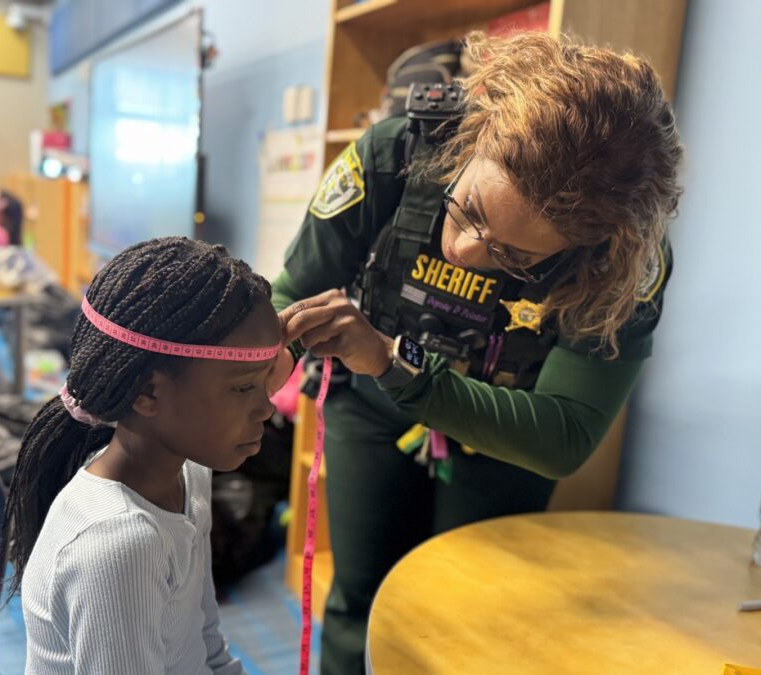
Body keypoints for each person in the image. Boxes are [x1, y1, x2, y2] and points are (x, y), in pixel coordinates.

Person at [269, 31, 684, 673]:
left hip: (504, 436)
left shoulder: (624, 262)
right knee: (360, 598)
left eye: (513, 256)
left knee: (466, 623)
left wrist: (395, 363)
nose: (463, 250)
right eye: (468, 209)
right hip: (372, 411)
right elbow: (289, 299)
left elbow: (565, 436)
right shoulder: (393, 154)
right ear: (479, 134)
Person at [0, 237, 283, 674]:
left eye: (267, 381)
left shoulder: (190, 476)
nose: (267, 408)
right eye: (244, 387)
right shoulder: (117, 546)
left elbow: (208, 648)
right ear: (148, 392)